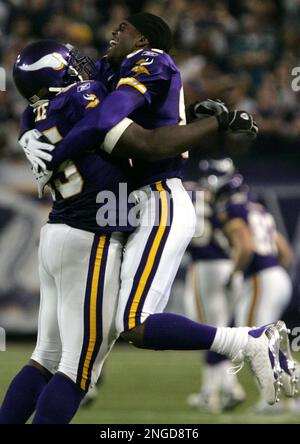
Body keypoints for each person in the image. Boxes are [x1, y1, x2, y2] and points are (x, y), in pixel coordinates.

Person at [1, 28, 291, 424]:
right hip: (92, 237)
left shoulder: (27, 118)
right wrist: (216, 123)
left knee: (44, 358)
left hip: (56, 233)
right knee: (77, 369)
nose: (85, 68)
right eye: (72, 64)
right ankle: (245, 340)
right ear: (57, 74)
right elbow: (145, 144)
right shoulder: (81, 99)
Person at [184, 159, 245, 413]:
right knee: (222, 330)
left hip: (206, 266)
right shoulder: (230, 196)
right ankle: (219, 389)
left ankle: (222, 390)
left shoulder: (189, 194)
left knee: (211, 332)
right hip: (231, 264)